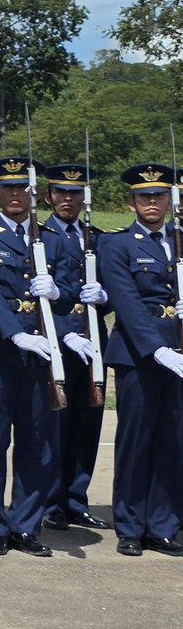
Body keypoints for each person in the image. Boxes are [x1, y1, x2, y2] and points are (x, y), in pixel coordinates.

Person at [0, 156, 78, 557]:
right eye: (7, 188)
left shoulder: (54, 239)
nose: (14, 195)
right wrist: (14, 333)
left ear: (32, 193)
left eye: (21, 188)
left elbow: (72, 292)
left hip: (41, 354)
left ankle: (26, 524)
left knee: (36, 442)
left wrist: (59, 292)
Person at [98, 163, 183, 556]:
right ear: (131, 202)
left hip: (179, 354)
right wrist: (158, 349)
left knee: (172, 441)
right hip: (139, 355)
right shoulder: (117, 245)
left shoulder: (180, 240)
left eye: (159, 195)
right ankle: (130, 525)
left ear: (170, 199)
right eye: (145, 196)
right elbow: (127, 304)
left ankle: (162, 524)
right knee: (135, 440)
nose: (153, 202)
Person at [39, 163, 112, 532]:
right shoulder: (39, 237)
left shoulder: (95, 238)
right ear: (49, 196)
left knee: (88, 421)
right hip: (55, 340)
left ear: (83, 198)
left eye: (75, 194)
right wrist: (68, 328)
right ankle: (50, 500)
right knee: (57, 424)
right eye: (61, 193)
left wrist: (105, 296)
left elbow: (115, 289)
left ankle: (76, 498)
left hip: (93, 341)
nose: (68, 200)